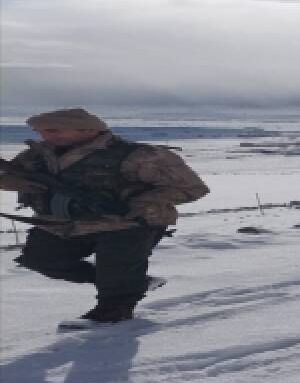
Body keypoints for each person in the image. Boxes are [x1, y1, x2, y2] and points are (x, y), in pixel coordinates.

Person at [0, 109, 209, 324]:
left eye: (53, 130)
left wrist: (142, 201)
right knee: (40, 260)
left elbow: (192, 188)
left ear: (88, 130)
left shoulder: (139, 155)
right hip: (62, 224)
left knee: (117, 270)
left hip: (127, 223)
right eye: (40, 131)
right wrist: (9, 182)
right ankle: (134, 282)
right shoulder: (38, 155)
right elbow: (9, 175)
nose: (45, 136)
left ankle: (113, 313)